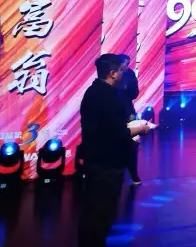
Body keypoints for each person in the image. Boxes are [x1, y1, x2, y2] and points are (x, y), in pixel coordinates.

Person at [78, 54, 150, 247]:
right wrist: (140, 129)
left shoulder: (95, 92)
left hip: (99, 160)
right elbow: (117, 132)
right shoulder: (106, 97)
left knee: (97, 213)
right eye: (121, 71)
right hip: (105, 164)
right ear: (113, 73)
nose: (123, 74)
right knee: (100, 214)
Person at [117, 54, 141, 185]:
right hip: (113, 110)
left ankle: (133, 173)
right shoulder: (112, 73)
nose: (126, 66)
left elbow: (135, 93)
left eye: (128, 63)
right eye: (125, 63)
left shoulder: (130, 74)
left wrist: (128, 88)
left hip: (127, 110)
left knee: (133, 142)